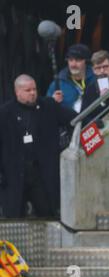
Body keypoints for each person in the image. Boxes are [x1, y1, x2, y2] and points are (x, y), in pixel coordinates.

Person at [0, 75, 77, 219]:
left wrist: (93, 122)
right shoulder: (5, 113)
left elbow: (74, 119)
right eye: (28, 90)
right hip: (14, 175)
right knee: (14, 217)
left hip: (41, 174)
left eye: (34, 89)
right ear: (17, 92)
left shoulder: (49, 106)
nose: (32, 93)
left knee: (48, 214)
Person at [46, 43, 96, 112]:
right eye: (70, 60)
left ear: (86, 61)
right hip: (68, 122)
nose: (73, 64)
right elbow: (46, 110)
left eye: (78, 60)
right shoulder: (57, 84)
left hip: (93, 120)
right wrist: (52, 102)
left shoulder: (96, 78)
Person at [81, 50, 109, 124]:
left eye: (105, 67)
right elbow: (83, 116)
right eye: (98, 68)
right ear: (93, 70)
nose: (102, 71)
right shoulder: (90, 88)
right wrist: (102, 101)